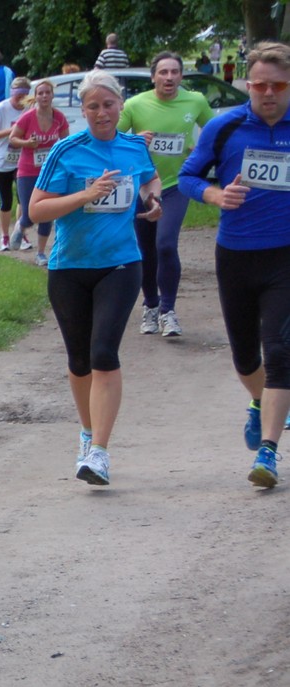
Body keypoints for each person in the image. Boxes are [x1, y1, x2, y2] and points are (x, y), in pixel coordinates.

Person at [30, 70, 163, 486]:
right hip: (69, 268)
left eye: (108, 105)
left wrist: (153, 198)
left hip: (121, 264)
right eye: (93, 106)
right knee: (79, 360)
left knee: (104, 352)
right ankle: (87, 433)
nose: (102, 113)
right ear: (83, 110)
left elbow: (148, 176)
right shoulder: (66, 151)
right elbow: (36, 209)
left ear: (120, 105)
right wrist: (86, 195)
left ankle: (100, 453)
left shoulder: (133, 147)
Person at [180, 41, 290, 488]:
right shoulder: (224, 128)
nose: (268, 93)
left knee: (279, 352)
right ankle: (259, 401)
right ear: (247, 84)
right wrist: (215, 194)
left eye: (278, 85)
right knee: (245, 358)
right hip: (236, 256)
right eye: (260, 85)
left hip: (285, 255)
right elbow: (187, 177)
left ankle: (268, 452)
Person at [118, 51, 214, 337]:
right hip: (142, 186)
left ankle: (168, 311)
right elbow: (112, 140)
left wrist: (201, 152)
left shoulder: (195, 101)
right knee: (145, 249)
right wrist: (135, 140)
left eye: (174, 72)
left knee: (166, 245)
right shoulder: (135, 104)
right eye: (163, 72)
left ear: (181, 76)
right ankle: (150, 305)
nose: (169, 77)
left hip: (175, 185)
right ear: (153, 77)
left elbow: (215, 132)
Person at [9, 77, 70, 267]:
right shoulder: (27, 117)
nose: (44, 96)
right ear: (35, 97)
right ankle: (21, 225)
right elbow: (12, 139)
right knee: (29, 213)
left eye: (47, 93)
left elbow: (66, 142)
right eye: (40, 93)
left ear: (52, 96)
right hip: (28, 170)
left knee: (47, 213)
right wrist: (27, 143)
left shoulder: (59, 117)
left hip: (50, 171)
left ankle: (41, 253)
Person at [0, 76, 31, 252]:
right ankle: (4, 237)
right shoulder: (0, 109)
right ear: (12, 94)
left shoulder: (30, 109)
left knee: (23, 199)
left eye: (24, 96)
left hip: (22, 161)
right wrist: (12, 131)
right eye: (18, 96)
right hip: (0, 162)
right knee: (6, 201)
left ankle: (20, 233)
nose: (20, 100)